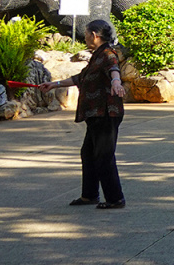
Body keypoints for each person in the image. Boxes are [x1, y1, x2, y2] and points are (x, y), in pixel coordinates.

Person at [39, 19, 126, 209]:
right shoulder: (97, 56)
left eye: (86, 33)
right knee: (88, 154)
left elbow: (114, 70)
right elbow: (81, 77)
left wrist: (116, 83)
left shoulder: (108, 54)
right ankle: (89, 195)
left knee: (103, 155)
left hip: (106, 113)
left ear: (94, 35)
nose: (85, 37)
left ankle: (115, 198)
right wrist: (55, 84)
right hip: (96, 114)